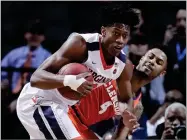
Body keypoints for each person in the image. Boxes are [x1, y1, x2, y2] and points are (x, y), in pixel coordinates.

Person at [16, 3, 140, 139]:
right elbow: (36, 78)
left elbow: (126, 97)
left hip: (63, 108)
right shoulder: (80, 44)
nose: (120, 40)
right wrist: (69, 81)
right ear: (104, 32)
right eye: (116, 33)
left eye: (125, 35)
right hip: (39, 101)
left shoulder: (123, 66)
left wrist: (126, 115)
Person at [77, 48, 167, 139]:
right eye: (150, 57)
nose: (152, 62)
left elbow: (119, 137)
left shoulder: (136, 107)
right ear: (142, 58)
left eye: (158, 62)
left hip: (80, 129)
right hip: (68, 107)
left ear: (162, 73)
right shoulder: (119, 65)